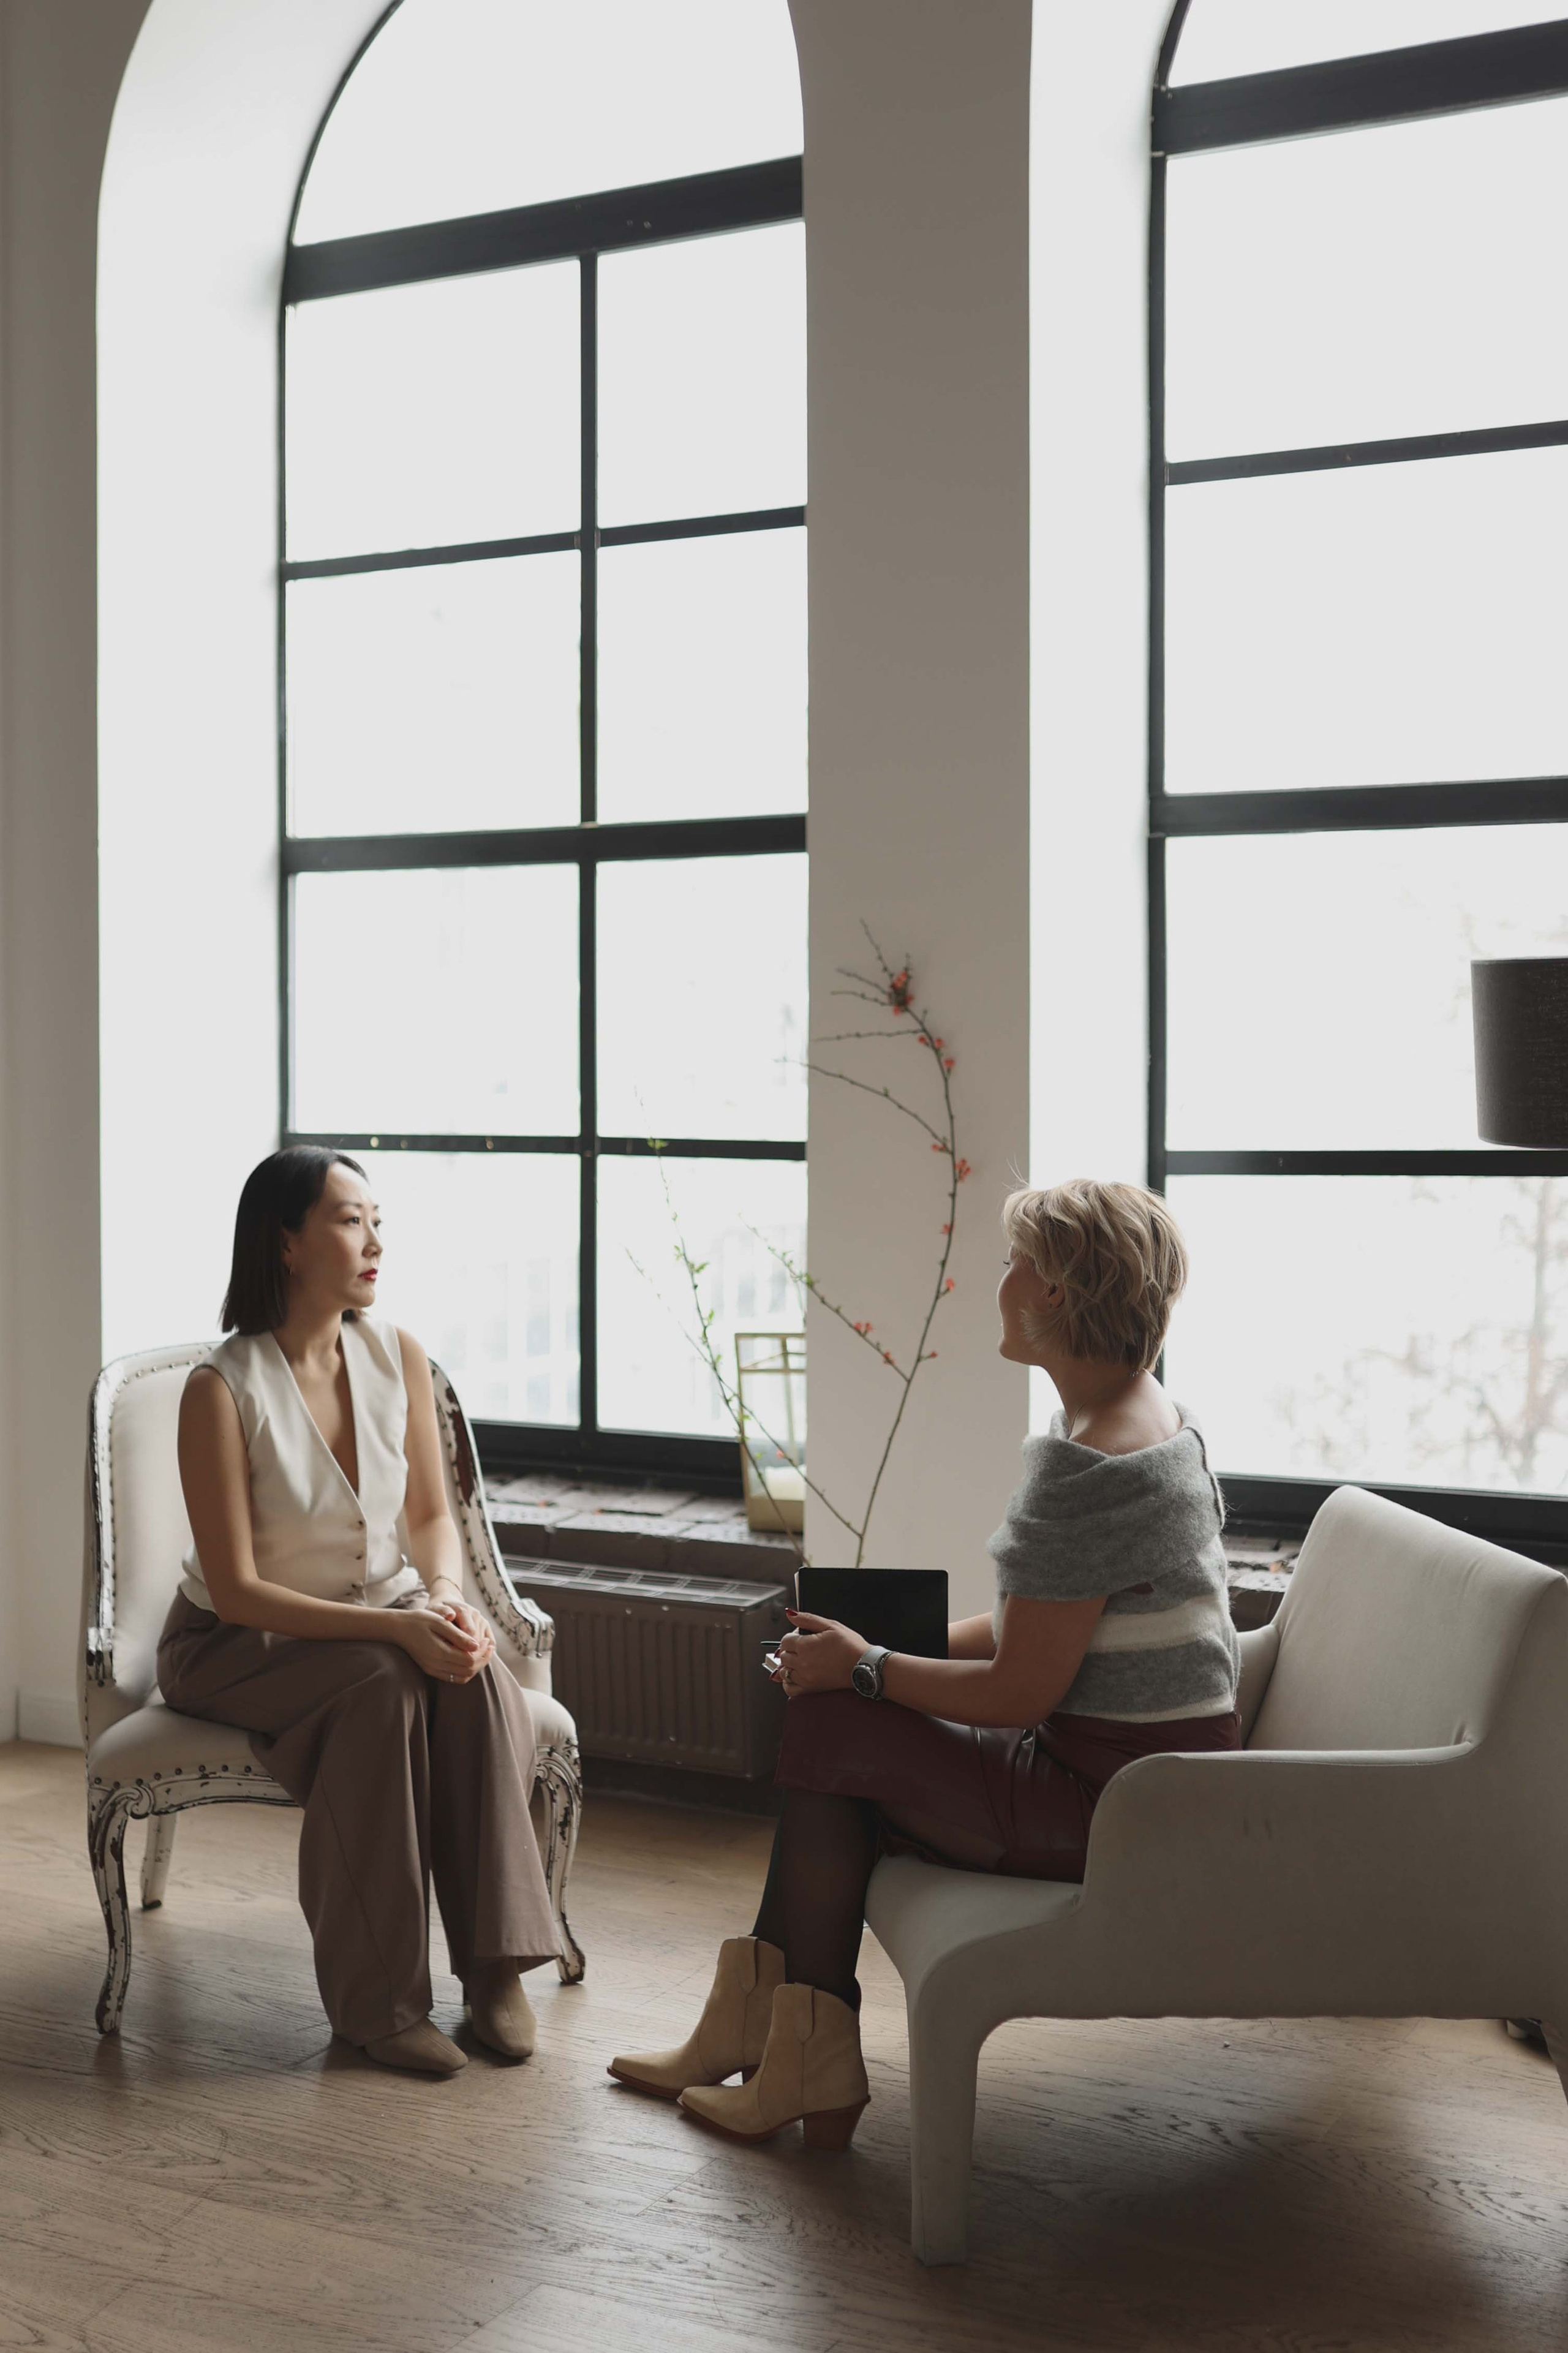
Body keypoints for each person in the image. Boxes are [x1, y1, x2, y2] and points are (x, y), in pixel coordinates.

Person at [608, 1177, 1240, 2148]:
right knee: (836, 1712)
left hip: (1113, 1806)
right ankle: (764, 2039)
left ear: (1057, 1293)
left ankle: (787, 2048)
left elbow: (1021, 1688)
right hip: (1148, 1785)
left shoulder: (1084, 1470)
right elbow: (1044, 1633)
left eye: (1011, 1264)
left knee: (830, 1724)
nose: (999, 1282)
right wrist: (868, 1652)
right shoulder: (1153, 1421)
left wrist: (866, 1670)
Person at [158, 1147, 560, 2076]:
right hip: (229, 1639)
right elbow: (239, 1586)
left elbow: (429, 1512)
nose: (375, 1240)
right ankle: (376, 2005)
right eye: (349, 1219)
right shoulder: (220, 1388)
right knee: (385, 1683)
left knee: (477, 1678)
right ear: (287, 1243)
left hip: (376, 1614)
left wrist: (447, 1600)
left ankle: (494, 1970)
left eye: (379, 1220)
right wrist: (398, 1625)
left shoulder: (398, 1353)